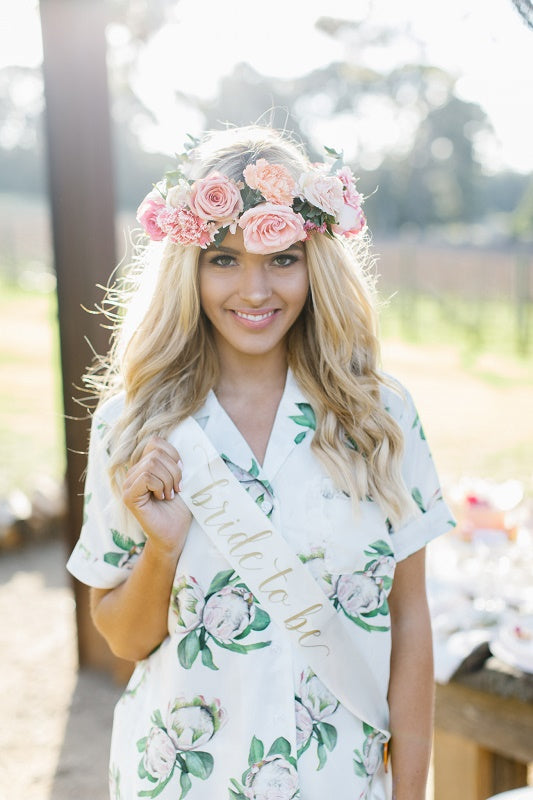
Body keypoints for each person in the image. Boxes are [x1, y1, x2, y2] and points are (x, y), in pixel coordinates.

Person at [67, 125, 455, 800]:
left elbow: (410, 618)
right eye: (223, 259)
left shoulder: (379, 416)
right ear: (188, 266)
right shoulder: (134, 423)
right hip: (184, 783)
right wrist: (161, 552)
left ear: (316, 262)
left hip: (341, 781)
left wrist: (411, 789)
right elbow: (124, 643)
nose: (253, 290)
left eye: (280, 258)